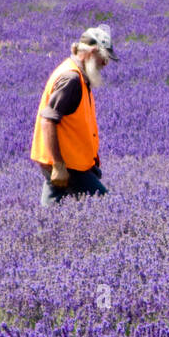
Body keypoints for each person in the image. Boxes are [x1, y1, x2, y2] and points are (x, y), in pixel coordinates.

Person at [30, 26, 117, 207]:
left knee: (51, 208)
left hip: (71, 162)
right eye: (104, 57)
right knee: (108, 207)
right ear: (92, 52)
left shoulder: (80, 76)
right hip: (69, 165)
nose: (105, 63)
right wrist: (59, 166)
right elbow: (48, 120)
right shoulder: (71, 78)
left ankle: (40, 233)